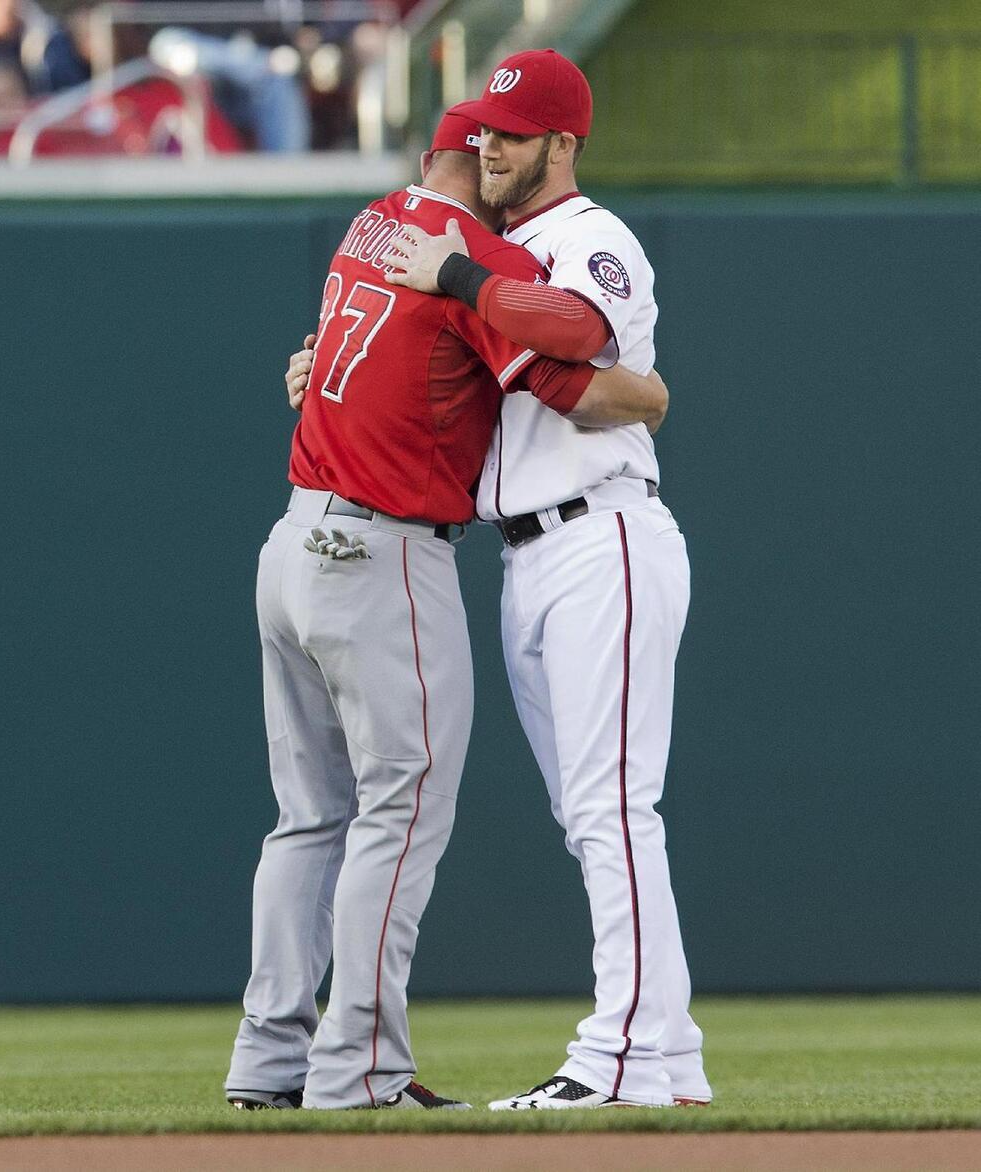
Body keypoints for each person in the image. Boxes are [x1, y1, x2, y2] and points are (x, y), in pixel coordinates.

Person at [225, 110, 667, 1113]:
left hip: (291, 541)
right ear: (477, 158)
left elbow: (353, 361)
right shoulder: (465, 245)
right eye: (497, 148)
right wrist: (646, 395)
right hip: (379, 551)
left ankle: (268, 1059)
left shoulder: (369, 224)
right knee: (402, 808)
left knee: (308, 818)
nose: (506, 164)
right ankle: (359, 1069)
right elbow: (570, 379)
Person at [374, 50, 714, 1110]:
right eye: (484, 130)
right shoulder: (504, 243)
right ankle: (664, 1053)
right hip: (526, 552)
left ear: (563, 141)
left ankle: (614, 1057)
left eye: (512, 135)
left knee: (616, 807)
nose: (489, 146)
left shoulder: (590, 236)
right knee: (598, 817)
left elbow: (583, 332)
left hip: (600, 534)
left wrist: (466, 280)